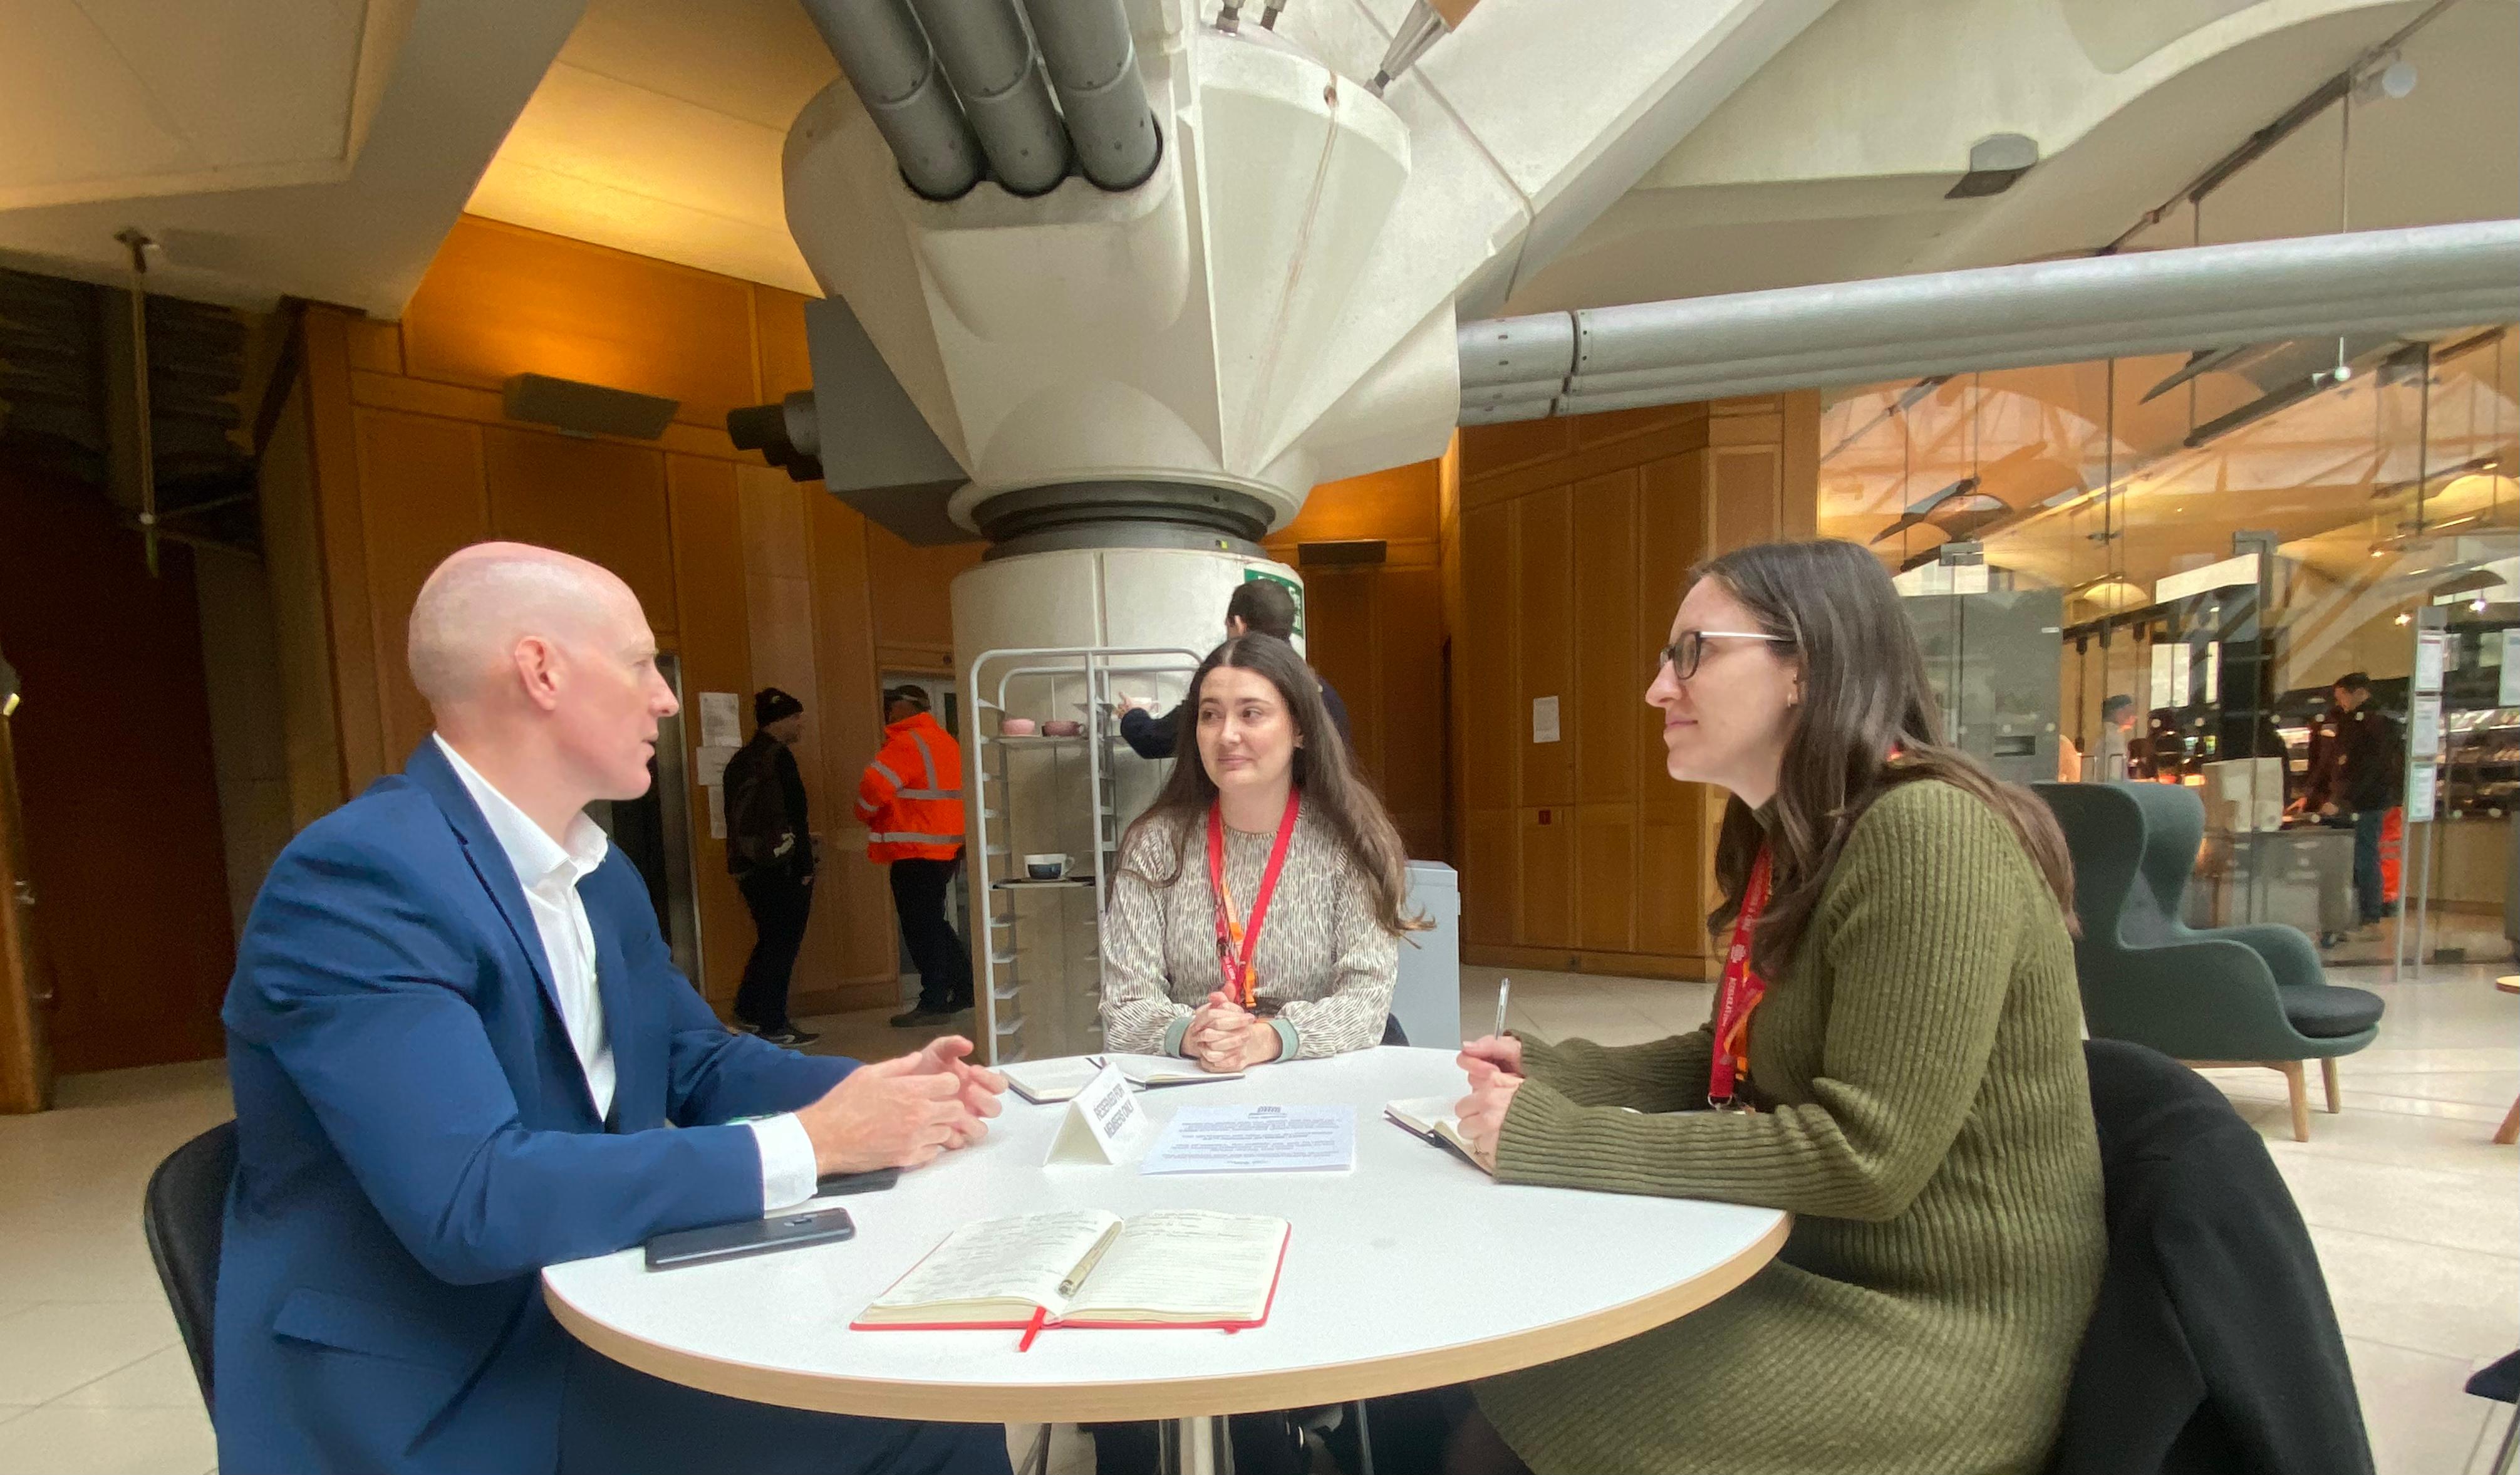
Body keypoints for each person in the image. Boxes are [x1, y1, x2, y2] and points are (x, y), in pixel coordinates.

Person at [216, 542, 1009, 1475]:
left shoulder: (594, 869)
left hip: (590, 1297)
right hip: (445, 1380)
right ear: (541, 670)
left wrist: (882, 1088)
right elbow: (473, 1201)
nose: (666, 698)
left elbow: (695, 1062)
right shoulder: (358, 880)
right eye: (640, 664)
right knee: (924, 1417)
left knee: (927, 1372)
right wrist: (812, 1141)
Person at [1412, 538, 2105, 1475]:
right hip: (1814, 1268)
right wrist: (1561, 1068)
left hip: (1934, 1328)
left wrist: (1553, 1137)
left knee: (1521, 1378)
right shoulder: (1797, 836)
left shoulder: (1924, 833)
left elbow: (1862, 1157)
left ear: (1803, 667)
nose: (1659, 688)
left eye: (1692, 650)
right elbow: (1737, 1056)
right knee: (1502, 1345)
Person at [1101, 633, 1421, 1070]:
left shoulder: (1349, 841)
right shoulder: (1155, 844)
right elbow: (1124, 1005)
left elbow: (1365, 1003)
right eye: (1210, 715)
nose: (1227, 734)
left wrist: (1267, 1038)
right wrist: (1195, 1035)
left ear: (1300, 730)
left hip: (1320, 1073)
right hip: (1192, 1074)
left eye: (1251, 713)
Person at [1114, 579, 1352, 760]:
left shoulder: (1225, 685)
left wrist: (1133, 715)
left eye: (1250, 714)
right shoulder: (1324, 693)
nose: (1228, 735)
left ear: (1238, 624)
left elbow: (1153, 741)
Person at [858, 685, 974, 1028]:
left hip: (914, 850)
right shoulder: (945, 742)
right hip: (945, 849)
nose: (886, 713)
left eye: (890, 706)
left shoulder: (907, 742)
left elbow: (872, 789)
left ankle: (934, 1000)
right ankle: (965, 988)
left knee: (920, 928)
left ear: (904, 708)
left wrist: (863, 814)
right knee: (934, 923)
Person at [723, 686, 817, 1045]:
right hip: (783, 865)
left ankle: (748, 1010)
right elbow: (797, 815)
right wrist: (806, 863)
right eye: (796, 718)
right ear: (780, 720)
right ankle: (773, 1023)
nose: (800, 726)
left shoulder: (741, 760)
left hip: (748, 865)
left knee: (769, 940)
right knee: (783, 944)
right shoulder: (779, 758)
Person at [2320, 670, 2402, 937]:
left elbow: (2365, 769)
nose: (2340, 701)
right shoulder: (2370, 721)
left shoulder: (2370, 723)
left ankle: (2369, 912)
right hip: (2367, 800)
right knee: (2364, 855)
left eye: (2342, 695)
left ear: (2357, 692)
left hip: (2366, 802)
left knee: (2364, 856)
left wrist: (2344, 800)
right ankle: (2367, 912)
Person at [2084, 692, 2136, 781]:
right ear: (2118, 713)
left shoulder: (2105, 732)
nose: (2134, 717)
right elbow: (2114, 772)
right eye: (2129, 713)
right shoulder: (2112, 737)